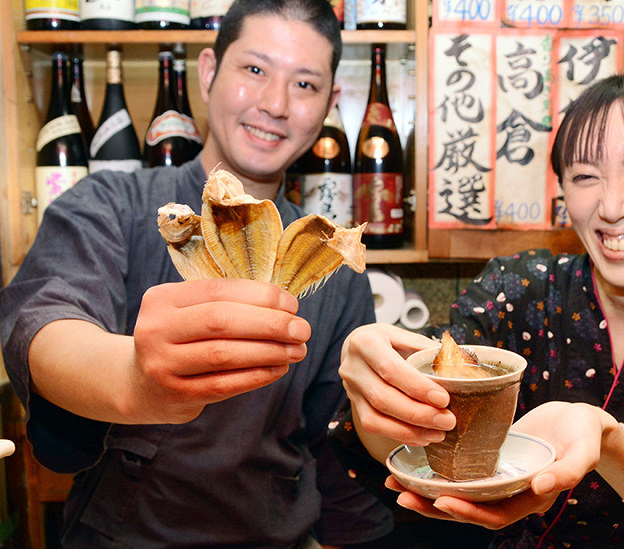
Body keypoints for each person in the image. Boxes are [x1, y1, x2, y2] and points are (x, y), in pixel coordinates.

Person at [334, 72, 624, 548]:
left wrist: (606, 443)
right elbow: (404, 432)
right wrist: (373, 388)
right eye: (584, 176)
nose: (612, 205)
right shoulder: (518, 290)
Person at [0, 0, 393, 546]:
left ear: (329, 103)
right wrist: (135, 378)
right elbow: (44, 324)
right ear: (208, 73)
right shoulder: (113, 204)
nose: (275, 104)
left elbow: (334, 449)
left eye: (305, 85)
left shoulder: (327, 258)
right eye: (254, 70)